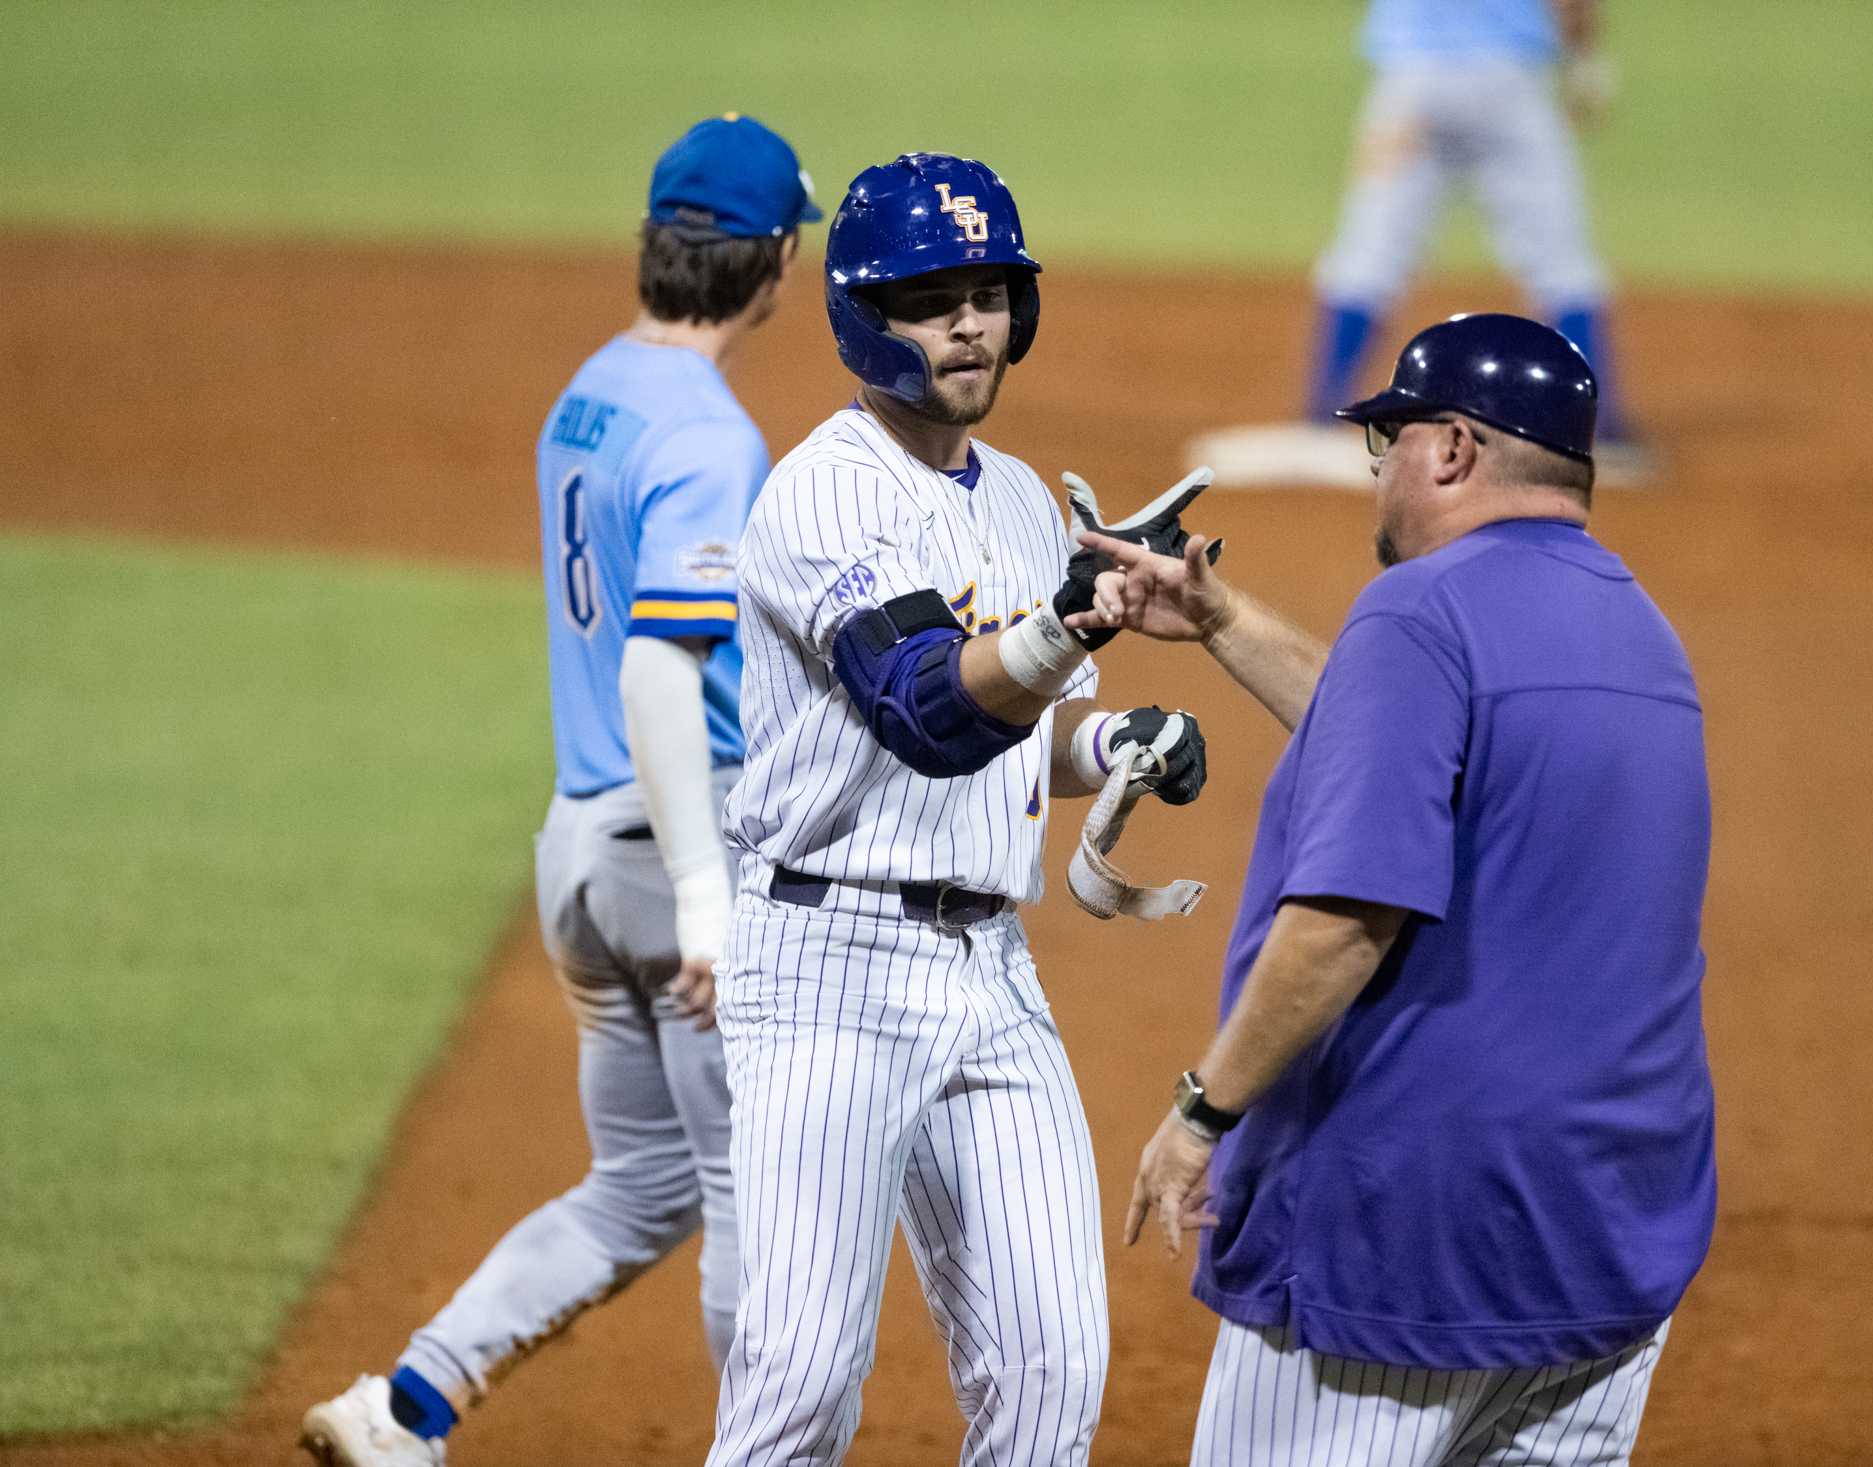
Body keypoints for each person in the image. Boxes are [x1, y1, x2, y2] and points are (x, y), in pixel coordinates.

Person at [1082, 313, 1716, 1465]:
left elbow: (1341, 924)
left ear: (1454, 450)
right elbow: (1413, 747)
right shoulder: (1640, 632)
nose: (1377, 478)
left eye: (1390, 446)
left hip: (1412, 1239)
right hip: (1607, 1236)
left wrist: (1199, 1112)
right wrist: (1222, 620)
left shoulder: (1420, 613)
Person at [299, 113, 820, 1467]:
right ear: (770, 264)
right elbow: (660, 665)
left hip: (580, 852)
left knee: (640, 1184)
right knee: (752, 1197)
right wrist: (711, 899)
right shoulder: (714, 435)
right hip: (674, 847)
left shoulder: (590, 391)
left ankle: (404, 1405)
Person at [705, 153, 1213, 1467]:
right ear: (867, 313)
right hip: (824, 968)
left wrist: (1121, 738)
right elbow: (928, 707)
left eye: (990, 292)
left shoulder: (1028, 504)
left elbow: (1013, 737)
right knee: (801, 1382)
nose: (973, 322)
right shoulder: (826, 492)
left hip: (991, 967)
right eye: (936, 299)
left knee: (1054, 1369)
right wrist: (1071, 622)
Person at [1191, 0, 1653, 489]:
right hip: (1508, 83)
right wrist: (1584, 60)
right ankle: (1603, 430)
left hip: (1412, 85)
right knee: (1561, 261)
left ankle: (1319, 418)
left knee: (1368, 254)